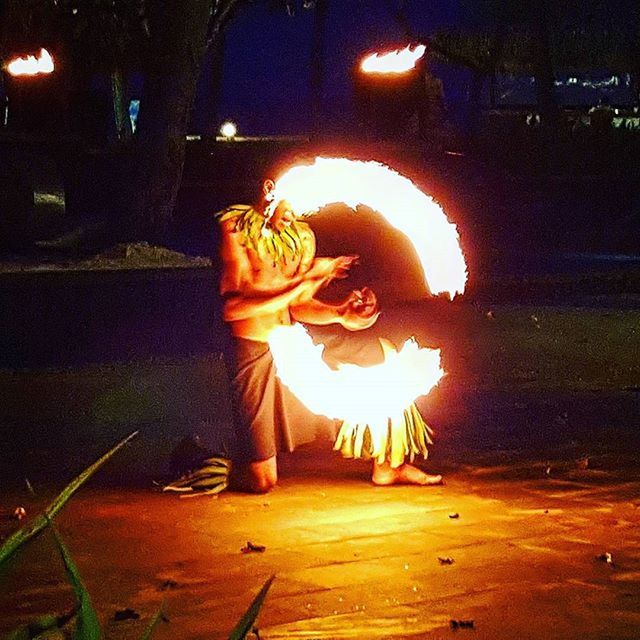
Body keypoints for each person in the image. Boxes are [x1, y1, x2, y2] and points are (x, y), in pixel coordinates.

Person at [217, 180, 443, 493]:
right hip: (253, 347)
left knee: (383, 354)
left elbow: (300, 306)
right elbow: (234, 308)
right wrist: (304, 281)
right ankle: (217, 464)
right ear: (271, 187)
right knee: (261, 481)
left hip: (292, 340)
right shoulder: (235, 230)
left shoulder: (302, 236)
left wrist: (339, 313)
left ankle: (390, 466)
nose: (297, 212)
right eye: (293, 201)